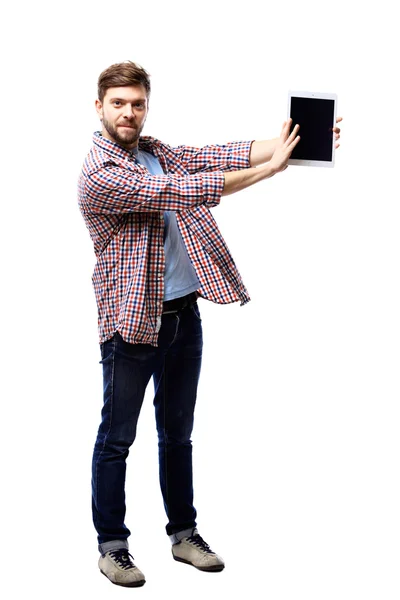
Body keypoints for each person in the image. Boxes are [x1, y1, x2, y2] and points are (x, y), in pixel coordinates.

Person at [78, 60, 342, 588]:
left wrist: (295, 137)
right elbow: (185, 191)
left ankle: (183, 535)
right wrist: (270, 171)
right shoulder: (101, 174)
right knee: (117, 438)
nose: (129, 112)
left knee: (178, 436)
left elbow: (212, 157)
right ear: (99, 106)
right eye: (119, 103)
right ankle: (113, 546)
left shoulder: (154, 152)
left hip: (183, 316)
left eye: (137, 103)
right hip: (132, 325)